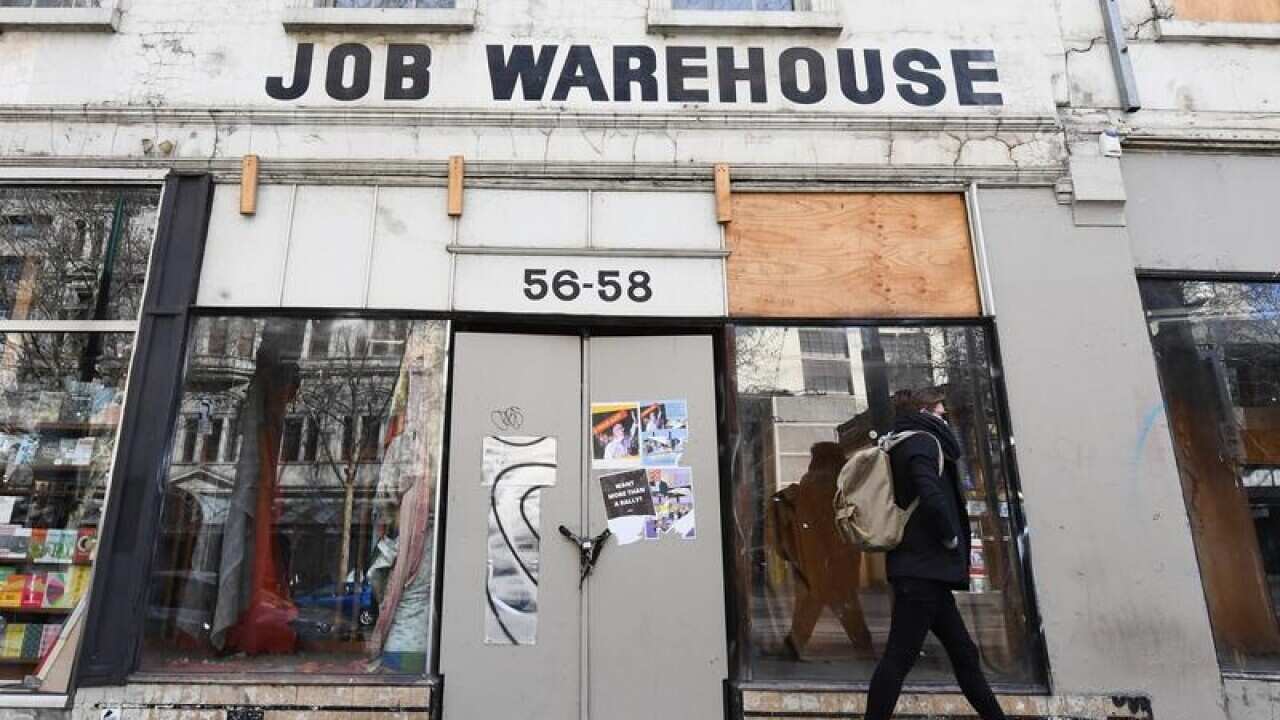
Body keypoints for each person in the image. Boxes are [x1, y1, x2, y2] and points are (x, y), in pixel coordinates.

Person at [865, 387, 1007, 720]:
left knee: (964, 654)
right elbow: (930, 493)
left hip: (922, 571)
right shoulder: (922, 443)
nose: (945, 416)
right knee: (899, 658)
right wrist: (949, 538)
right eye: (941, 411)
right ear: (925, 411)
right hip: (924, 569)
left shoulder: (899, 443)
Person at [775, 442, 873, 657]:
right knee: (842, 603)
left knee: (816, 604)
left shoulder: (812, 481)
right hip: (831, 555)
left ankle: (793, 647)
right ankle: (863, 646)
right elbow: (830, 523)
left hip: (817, 556)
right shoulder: (827, 483)